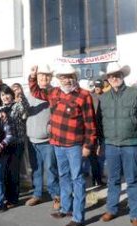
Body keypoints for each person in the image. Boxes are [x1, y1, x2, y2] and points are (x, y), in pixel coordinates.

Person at [29, 64, 97, 226]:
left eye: (69, 76)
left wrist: (88, 145)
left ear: (75, 77)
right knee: (64, 177)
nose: (66, 80)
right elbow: (36, 92)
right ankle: (66, 208)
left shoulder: (84, 95)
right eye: (63, 77)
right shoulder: (54, 92)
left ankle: (78, 218)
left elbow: (90, 124)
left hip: (74, 145)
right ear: (58, 79)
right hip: (57, 144)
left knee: (77, 179)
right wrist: (32, 77)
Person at [97, 62, 137, 226]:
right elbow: (99, 124)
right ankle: (111, 209)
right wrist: (100, 143)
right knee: (113, 180)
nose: (114, 78)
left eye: (117, 74)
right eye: (111, 75)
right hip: (111, 146)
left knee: (132, 181)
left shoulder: (135, 94)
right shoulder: (103, 98)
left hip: (131, 145)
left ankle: (135, 215)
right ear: (107, 79)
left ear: (123, 76)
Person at [25, 64, 60, 210]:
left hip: (48, 140)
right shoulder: (30, 94)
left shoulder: (53, 94)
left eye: (46, 75)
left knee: (51, 168)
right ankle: (37, 194)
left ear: (50, 77)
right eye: (41, 75)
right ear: (37, 77)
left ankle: (56, 196)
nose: (44, 78)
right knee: (36, 169)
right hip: (32, 139)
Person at [0, 83, 29, 209]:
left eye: (7, 94)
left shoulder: (17, 106)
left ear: (12, 95)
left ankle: (13, 199)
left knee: (13, 171)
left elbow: (25, 108)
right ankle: (5, 196)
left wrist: (21, 95)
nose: (5, 97)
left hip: (17, 143)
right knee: (5, 171)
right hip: (4, 144)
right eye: (3, 95)